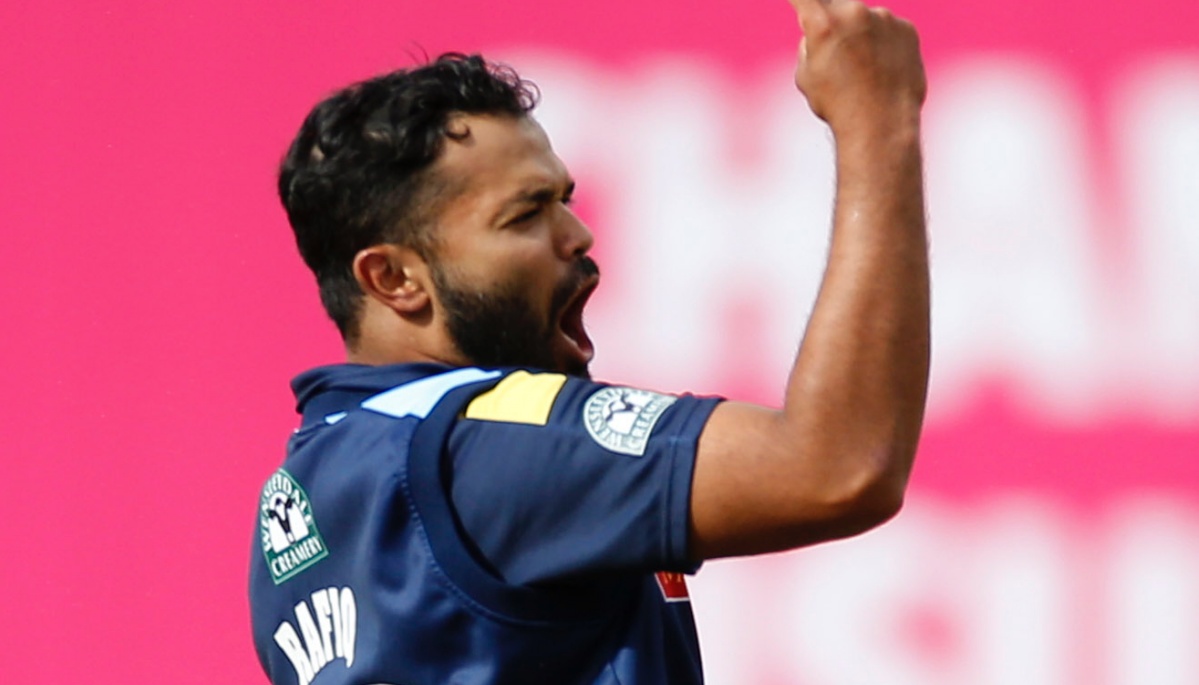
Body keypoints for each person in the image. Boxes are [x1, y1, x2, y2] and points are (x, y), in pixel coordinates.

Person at [248, 0, 929, 682]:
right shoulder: (479, 445)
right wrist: (877, 122)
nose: (576, 235)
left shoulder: (309, 492)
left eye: (563, 199)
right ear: (394, 277)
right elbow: (839, 465)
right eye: (525, 215)